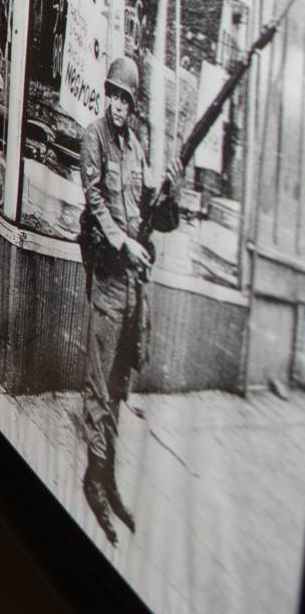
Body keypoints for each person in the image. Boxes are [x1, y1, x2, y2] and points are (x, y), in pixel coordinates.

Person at [75, 53, 178, 544]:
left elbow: (151, 215)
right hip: (110, 276)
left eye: (126, 99)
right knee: (98, 383)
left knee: (119, 383)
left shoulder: (136, 148)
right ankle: (94, 482)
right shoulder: (92, 137)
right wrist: (124, 242)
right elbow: (96, 203)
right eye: (113, 96)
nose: (118, 105)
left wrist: (167, 194)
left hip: (135, 282)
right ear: (106, 96)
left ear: (133, 105)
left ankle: (108, 478)